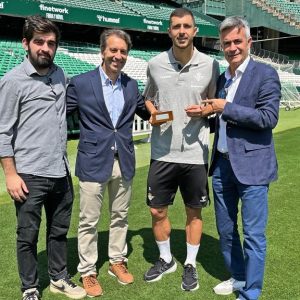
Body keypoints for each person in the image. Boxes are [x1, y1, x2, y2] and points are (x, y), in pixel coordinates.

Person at [187, 16, 281, 300]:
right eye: (226, 43)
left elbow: (268, 118)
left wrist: (226, 107)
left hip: (253, 167)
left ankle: (251, 293)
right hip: (223, 165)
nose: (232, 48)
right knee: (226, 233)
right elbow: (222, 121)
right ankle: (239, 277)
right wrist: (208, 113)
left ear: (249, 42)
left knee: (253, 236)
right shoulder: (222, 78)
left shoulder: (265, 74)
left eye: (237, 41)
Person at [0, 15, 86, 300]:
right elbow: (3, 132)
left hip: (60, 171)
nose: (45, 48)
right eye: (39, 42)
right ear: (26, 43)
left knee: (59, 231)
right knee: (27, 236)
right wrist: (10, 175)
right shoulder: (12, 82)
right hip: (29, 176)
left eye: (51, 43)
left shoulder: (61, 75)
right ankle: (30, 288)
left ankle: (59, 278)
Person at [66, 29, 150, 297]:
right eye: (113, 50)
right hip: (93, 160)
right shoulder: (80, 83)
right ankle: (88, 271)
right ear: (102, 51)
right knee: (88, 220)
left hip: (123, 160)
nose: (118, 56)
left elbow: (147, 111)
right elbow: (57, 113)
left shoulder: (131, 84)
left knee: (120, 216)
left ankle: (116, 261)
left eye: (123, 51)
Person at [143, 8, 219, 291]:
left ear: (195, 31)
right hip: (162, 152)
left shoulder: (211, 65)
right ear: (169, 31)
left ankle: (189, 263)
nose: (182, 31)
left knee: (193, 212)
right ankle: (165, 259)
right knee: (157, 211)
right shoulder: (155, 63)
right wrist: (152, 112)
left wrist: (205, 110)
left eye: (187, 26)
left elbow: (214, 103)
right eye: (176, 27)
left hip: (195, 155)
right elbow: (148, 97)